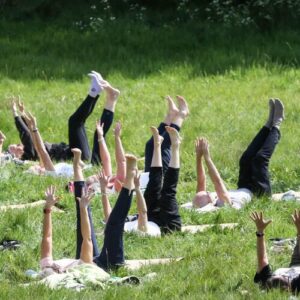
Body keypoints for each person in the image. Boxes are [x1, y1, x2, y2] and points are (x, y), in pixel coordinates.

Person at [8, 71, 120, 164]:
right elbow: (26, 134)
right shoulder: (29, 155)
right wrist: (16, 114)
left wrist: (21, 114)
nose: (18, 147)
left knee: (82, 125)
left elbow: (28, 132)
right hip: (76, 157)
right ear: (15, 157)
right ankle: (96, 92)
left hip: (72, 150)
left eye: (17, 144)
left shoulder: (31, 146)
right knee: (78, 124)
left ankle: (108, 98)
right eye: (15, 150)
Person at [192, 99, 284, 209]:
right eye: (207, 194)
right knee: (259, 160)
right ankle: (277, 123)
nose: (208, 191)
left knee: (245, 159)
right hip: (259, 193)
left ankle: (268, 125)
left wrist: (198, 157)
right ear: (209, 202)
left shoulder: (204, 201)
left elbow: (201, 180)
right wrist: (207, 157)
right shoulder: (223, 205)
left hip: (245, 186)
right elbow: (217, 182)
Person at [72, 148, 138, 269]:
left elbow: (87, 238)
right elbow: (109, 221)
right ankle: (130, 175)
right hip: (109, 265)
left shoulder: (82, 263)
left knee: (82, 211)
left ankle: (76, 167)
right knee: (114, 227)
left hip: (90, 262)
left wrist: (102, 190)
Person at [40, 185, 97, 274]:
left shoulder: (48, 267)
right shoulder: (83, 266)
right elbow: (87, 238)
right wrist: (83, 208)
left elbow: (47, 237)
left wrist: (48, 208)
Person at [251, 210, 300, 294]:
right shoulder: (297, 285)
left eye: (276, 275)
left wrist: (260, 232)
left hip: (295, 262)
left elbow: (262, 259)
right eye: (283, 277)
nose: (281, 275)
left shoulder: (266, 281)